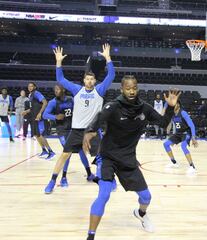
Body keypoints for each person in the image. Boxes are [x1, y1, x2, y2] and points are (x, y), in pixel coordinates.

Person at [82, 76, 181, 240]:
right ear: (122, 89)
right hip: (107, 157)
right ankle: (90, 236)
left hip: (128, 159)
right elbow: (100, 117)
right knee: (104, 194)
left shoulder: (145, 109)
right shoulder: (113, 106)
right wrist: (90, 130)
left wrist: (170, 107)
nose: (131, 91)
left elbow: (163, 123)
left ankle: (141, 214)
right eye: (128, 88)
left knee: (146, 197)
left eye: (134, 87)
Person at [44, 44, 114, 194]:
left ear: (95, 81)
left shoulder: (100, 90)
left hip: (92, 132)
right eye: (87, 79)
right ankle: (52, 181)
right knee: (64, 155)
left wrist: (108, 58)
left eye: (92, 79)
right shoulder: (77, 90)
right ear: (84, 80)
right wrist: (58, 62)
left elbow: (111, 76)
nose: (89, 81)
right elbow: (60, 79)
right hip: (76, 131)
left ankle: (106, 181)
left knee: (102, 158)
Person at [43, 84, 93, 188]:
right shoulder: (53, 102)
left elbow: (79, 109)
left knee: (81, 151)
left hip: (74, 129)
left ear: (63, 89)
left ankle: (89, 174)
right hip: (62, 131)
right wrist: (55, 116)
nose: (56, 91)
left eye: (57, 89)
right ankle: (63, 178)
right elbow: (45, 115)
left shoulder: (71, 99)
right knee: (68, 152)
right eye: (55, 89)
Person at [21, 82, 55, 159]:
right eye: (29, 86)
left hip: (39, 118)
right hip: (34, 118)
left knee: (41, 135)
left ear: (35, 87)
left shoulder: (36, 93)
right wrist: (26, 111)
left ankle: (51, 152)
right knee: (36, 135)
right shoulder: (30, 96)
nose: (30, 87)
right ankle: (44, 150)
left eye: (31, 86)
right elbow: (32, 108)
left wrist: (40, 113)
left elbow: (45, 102)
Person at [163, 101, 198, 174]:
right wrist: (170, 134)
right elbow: (171, 124)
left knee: (183, 146)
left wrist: (193, 138)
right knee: (166, 144)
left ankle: (192, 167)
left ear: (178, 105)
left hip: (186, 133)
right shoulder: (172, 114)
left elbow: (192, 125)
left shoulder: (183, 113)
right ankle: (174, 163)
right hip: (178, 133)